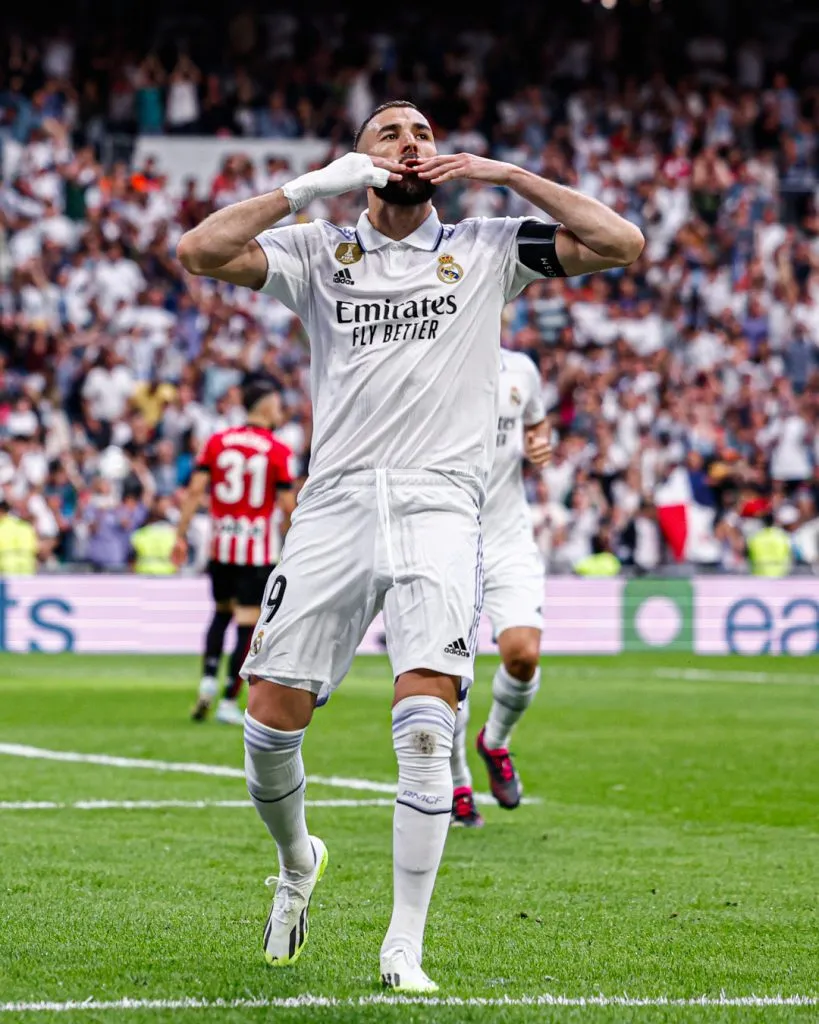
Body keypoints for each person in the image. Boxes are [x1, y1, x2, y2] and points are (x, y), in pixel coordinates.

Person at [176, 99, 643, 992]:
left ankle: (404, 945)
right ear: (359, 163)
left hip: (440, 506)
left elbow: (621, 242)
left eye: (423, 134)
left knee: (428, 730)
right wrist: (308, 189)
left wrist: (503, 175)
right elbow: (196, 253)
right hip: (336, 503)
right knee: (270, 724)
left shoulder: (487, 246)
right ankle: (296, 861)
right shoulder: (317, 251)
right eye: (389, 134)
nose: (411, 144)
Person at [450, 348, 552, 828]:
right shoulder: (430, 349)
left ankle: (494, 741)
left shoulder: (521, 369)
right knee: (447, 674)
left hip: (508, 537)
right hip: (445, 535)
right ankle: (457, 785)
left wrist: (539, 445)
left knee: (523, 655)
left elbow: (536, 424)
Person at [172, 379, 296, 726]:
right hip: (256, 549)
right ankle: (228, 698)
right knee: (247, 622)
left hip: (220, 545)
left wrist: (181, 536)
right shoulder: (277, 449)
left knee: (220, 612)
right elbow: (287, 505)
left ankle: (207, 681)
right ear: (267, 405)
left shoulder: (217, 441)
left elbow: (195, 491)